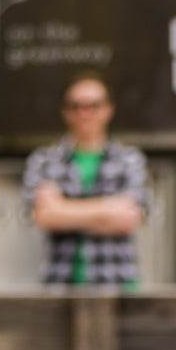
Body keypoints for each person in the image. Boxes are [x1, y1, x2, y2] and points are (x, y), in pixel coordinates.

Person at [22, 73, 149, 287]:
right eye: (76, 106)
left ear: (109, 109)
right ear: (64, 111)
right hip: (60, 285)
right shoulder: (44, 160)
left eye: (94, 105)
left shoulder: (129, 160)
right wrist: (109, 210)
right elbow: (44, 217)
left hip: (117, 284)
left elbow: (129, 218)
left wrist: (64, 209)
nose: (84, 113)